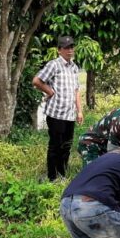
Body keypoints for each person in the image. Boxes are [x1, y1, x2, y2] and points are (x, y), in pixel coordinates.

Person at [32, 36, 83, 181]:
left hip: (69, 114)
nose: (70, 50)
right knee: (55, 146)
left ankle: (62, 175)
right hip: (56, 114)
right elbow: (37, 81)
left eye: (72, 47)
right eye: (66, 48)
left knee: (66, 146)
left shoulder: (74, 67)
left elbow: (76, 91)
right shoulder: (54, 65)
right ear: (59, 50)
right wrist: (50, 91)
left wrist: (79, 111)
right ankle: (52, 177)